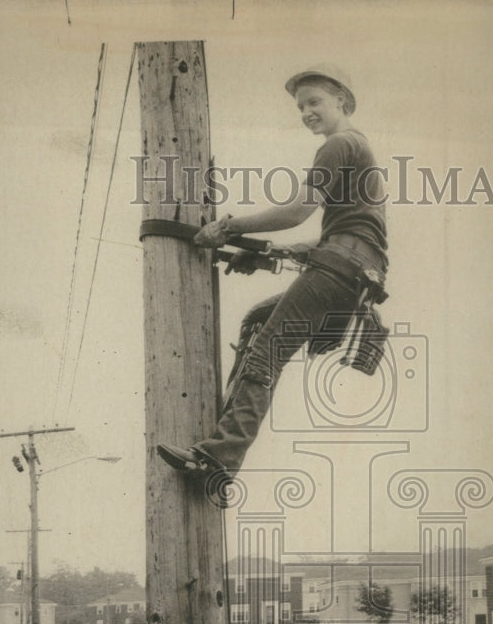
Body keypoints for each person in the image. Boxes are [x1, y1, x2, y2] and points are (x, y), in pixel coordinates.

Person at [157, 63, 388, 484]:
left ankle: (218, 456)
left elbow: (298, 211)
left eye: (314, 102)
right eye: (301, 106)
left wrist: (228, 226)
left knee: (266, 353)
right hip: (355, 277)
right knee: (258, 321)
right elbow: (348, 235)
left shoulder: (339, 144)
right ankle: (226, 426)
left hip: (338, 270)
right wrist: (271, 251)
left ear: (342, 100)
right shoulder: (360, 148)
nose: (306, 112)